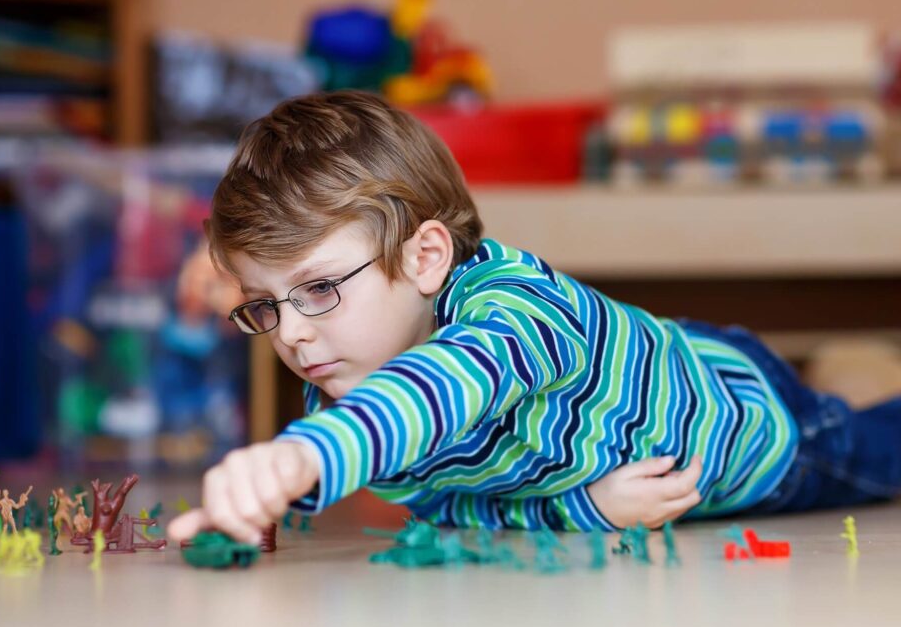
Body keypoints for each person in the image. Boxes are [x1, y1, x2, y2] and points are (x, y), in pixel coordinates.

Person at [168, 91, 901, 545]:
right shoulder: (350, 393)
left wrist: (304, 456)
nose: (291, 334)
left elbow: (444, 383)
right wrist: (588, 508)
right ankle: (850, 362)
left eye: (320, 288)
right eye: (266, 304)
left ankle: (852, 370)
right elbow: (464, 511)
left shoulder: (512, 310)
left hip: (761, 429)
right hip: (621, 433)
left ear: (426, 258)